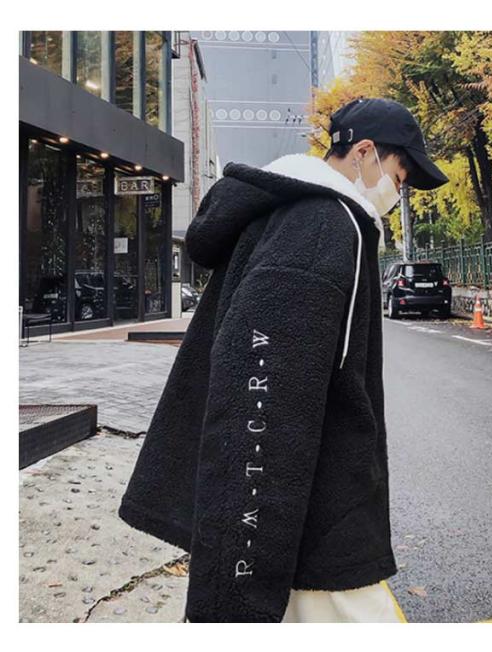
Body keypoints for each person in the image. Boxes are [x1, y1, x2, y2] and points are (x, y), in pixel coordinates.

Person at [117, 97, 448, 622]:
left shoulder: (307, 215)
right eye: (399, 175)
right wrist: (242, 567)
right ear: (364, 152)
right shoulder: (322, 225)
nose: (397, 191)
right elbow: (263, 397)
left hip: (306, 520)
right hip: (314, 524)